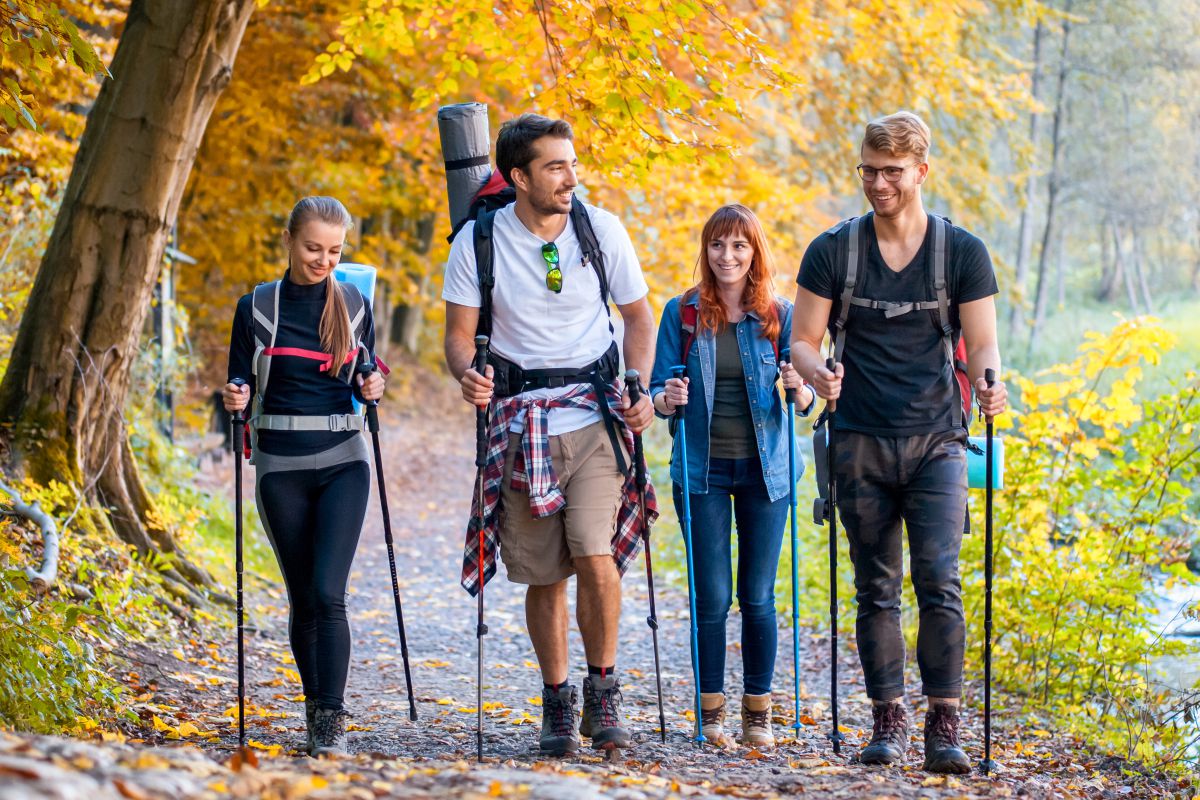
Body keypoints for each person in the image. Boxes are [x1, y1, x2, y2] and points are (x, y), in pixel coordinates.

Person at [790, 112, 1008, 773]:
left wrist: (993, 385)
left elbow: (984, 343)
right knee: (874, 587)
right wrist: (816, 371)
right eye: (868, 170)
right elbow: (801, 340)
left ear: (921, 171)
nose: (877, 183)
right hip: (858, 438)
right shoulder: (834, 250)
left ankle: (944, 726)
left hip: (939, 440)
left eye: (890, 172)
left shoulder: (960, 252)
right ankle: (887, 721)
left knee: (940, 581)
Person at [442, 114, 656, 756]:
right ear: (519, 177)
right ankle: (558, 701)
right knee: (543, 574)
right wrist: (467, 373)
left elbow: (639, 320)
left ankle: (604, 690)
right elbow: (458, 336)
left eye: (571, 163)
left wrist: (638, 385)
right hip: (518, 422)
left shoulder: (600, 229)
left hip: (592, 416)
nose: (570, 177)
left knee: (594, 553)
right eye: (555, 166)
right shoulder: (477, 243)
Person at [223, 196, 385, 756]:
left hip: (345, 456)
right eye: (314, 248)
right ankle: (315, 709)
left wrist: (372, 387)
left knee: (327, 592)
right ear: (289, 240)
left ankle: (331, 721)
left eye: (335, 251)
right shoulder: (256, 308)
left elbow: (368, 373)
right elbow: (238, 383)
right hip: (280, 465)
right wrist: (235, 395)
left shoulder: (355, 303)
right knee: (303, 598)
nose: (323, 260)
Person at [649, 204, 815, 749]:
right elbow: (656, 391)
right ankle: (712, 711)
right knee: (713, 595)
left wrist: (799, 386)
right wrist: (666, 399)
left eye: (740, 246)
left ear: (755, 252)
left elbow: (809, 395)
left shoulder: (781, 316)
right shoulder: (684, 313)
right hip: (702, 470)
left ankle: (758, 713)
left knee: (758, 594)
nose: (728, 256)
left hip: (768, 472)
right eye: (718, 245)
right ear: (706, 250)